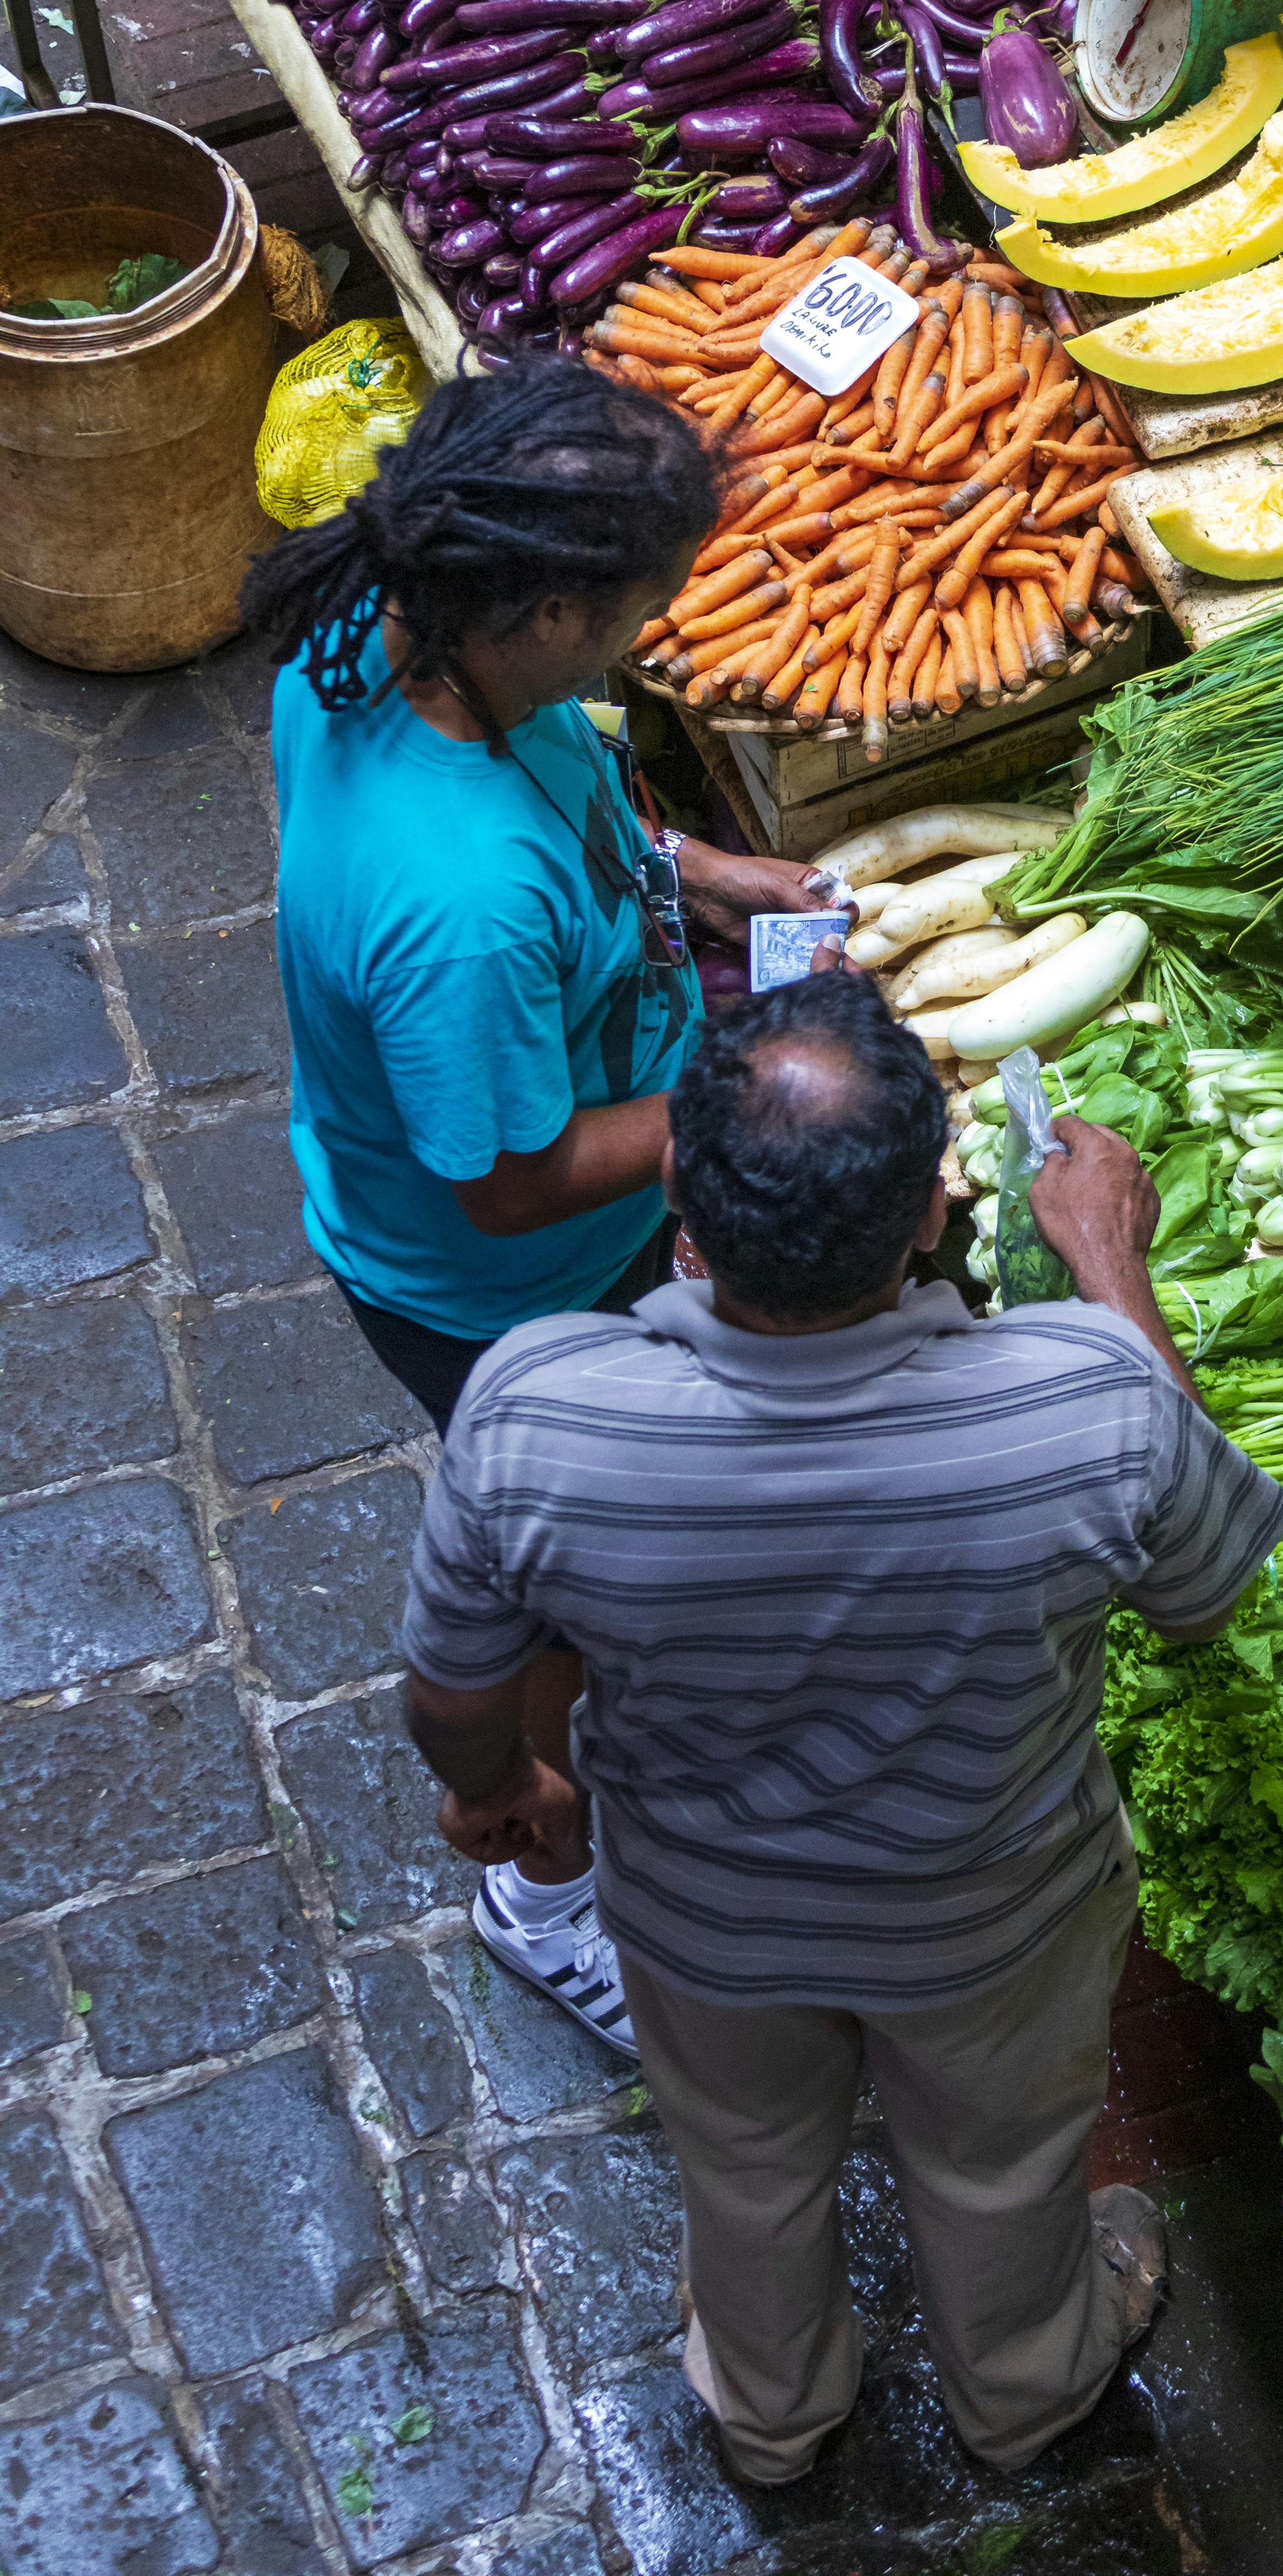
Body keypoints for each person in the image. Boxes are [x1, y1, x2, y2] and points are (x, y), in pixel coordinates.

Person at [396, 966, 1283, 2485]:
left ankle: (771, 2410)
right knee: (1001, 2162)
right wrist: (1111, 1274)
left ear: (679, 1186)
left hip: (703, 1920)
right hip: (993, 1917)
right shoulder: (1087, 1404)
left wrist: (511, 1790)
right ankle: (1019, 2388)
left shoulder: (538, 1408)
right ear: (933, 1218)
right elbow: (1208, 1589)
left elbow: (453, 1692)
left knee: (742, 2169)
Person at [245, 359, 833, 2058]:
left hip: (553, 1203)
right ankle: (541, 1882)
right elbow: (503, 1183)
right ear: (557, 607)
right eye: (650, 604)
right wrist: (729, 1108)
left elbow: (576, 782)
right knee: (556, 1599)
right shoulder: (461, 907)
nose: (658, 634)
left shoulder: (385, 624)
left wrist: (704, 877)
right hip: (496, 1291)